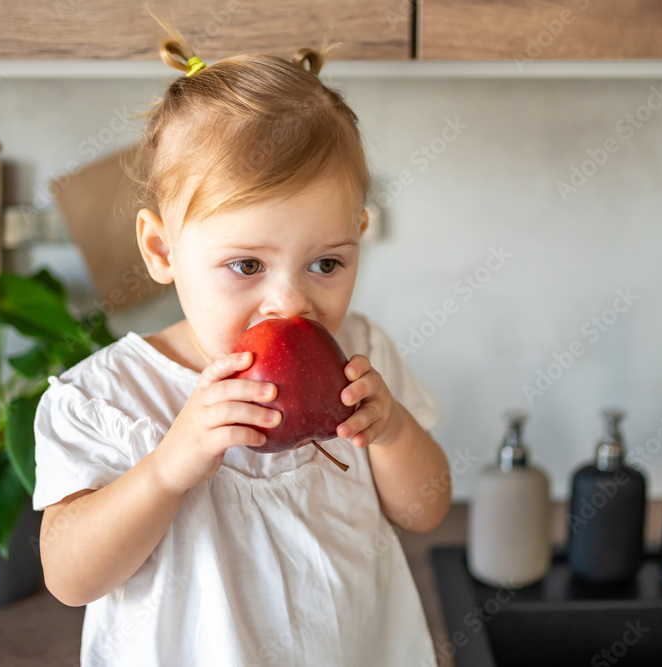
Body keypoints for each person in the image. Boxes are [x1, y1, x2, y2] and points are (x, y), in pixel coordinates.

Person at [32, 22, 451, 667]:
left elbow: (427, 512)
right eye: (247, 266)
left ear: (358, 234)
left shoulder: (362, 354)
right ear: (161, 250)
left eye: (327, 263)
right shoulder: (109, 397)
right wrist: (167, 469)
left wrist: (391, 432)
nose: (291, 304)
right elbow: (68, 576)